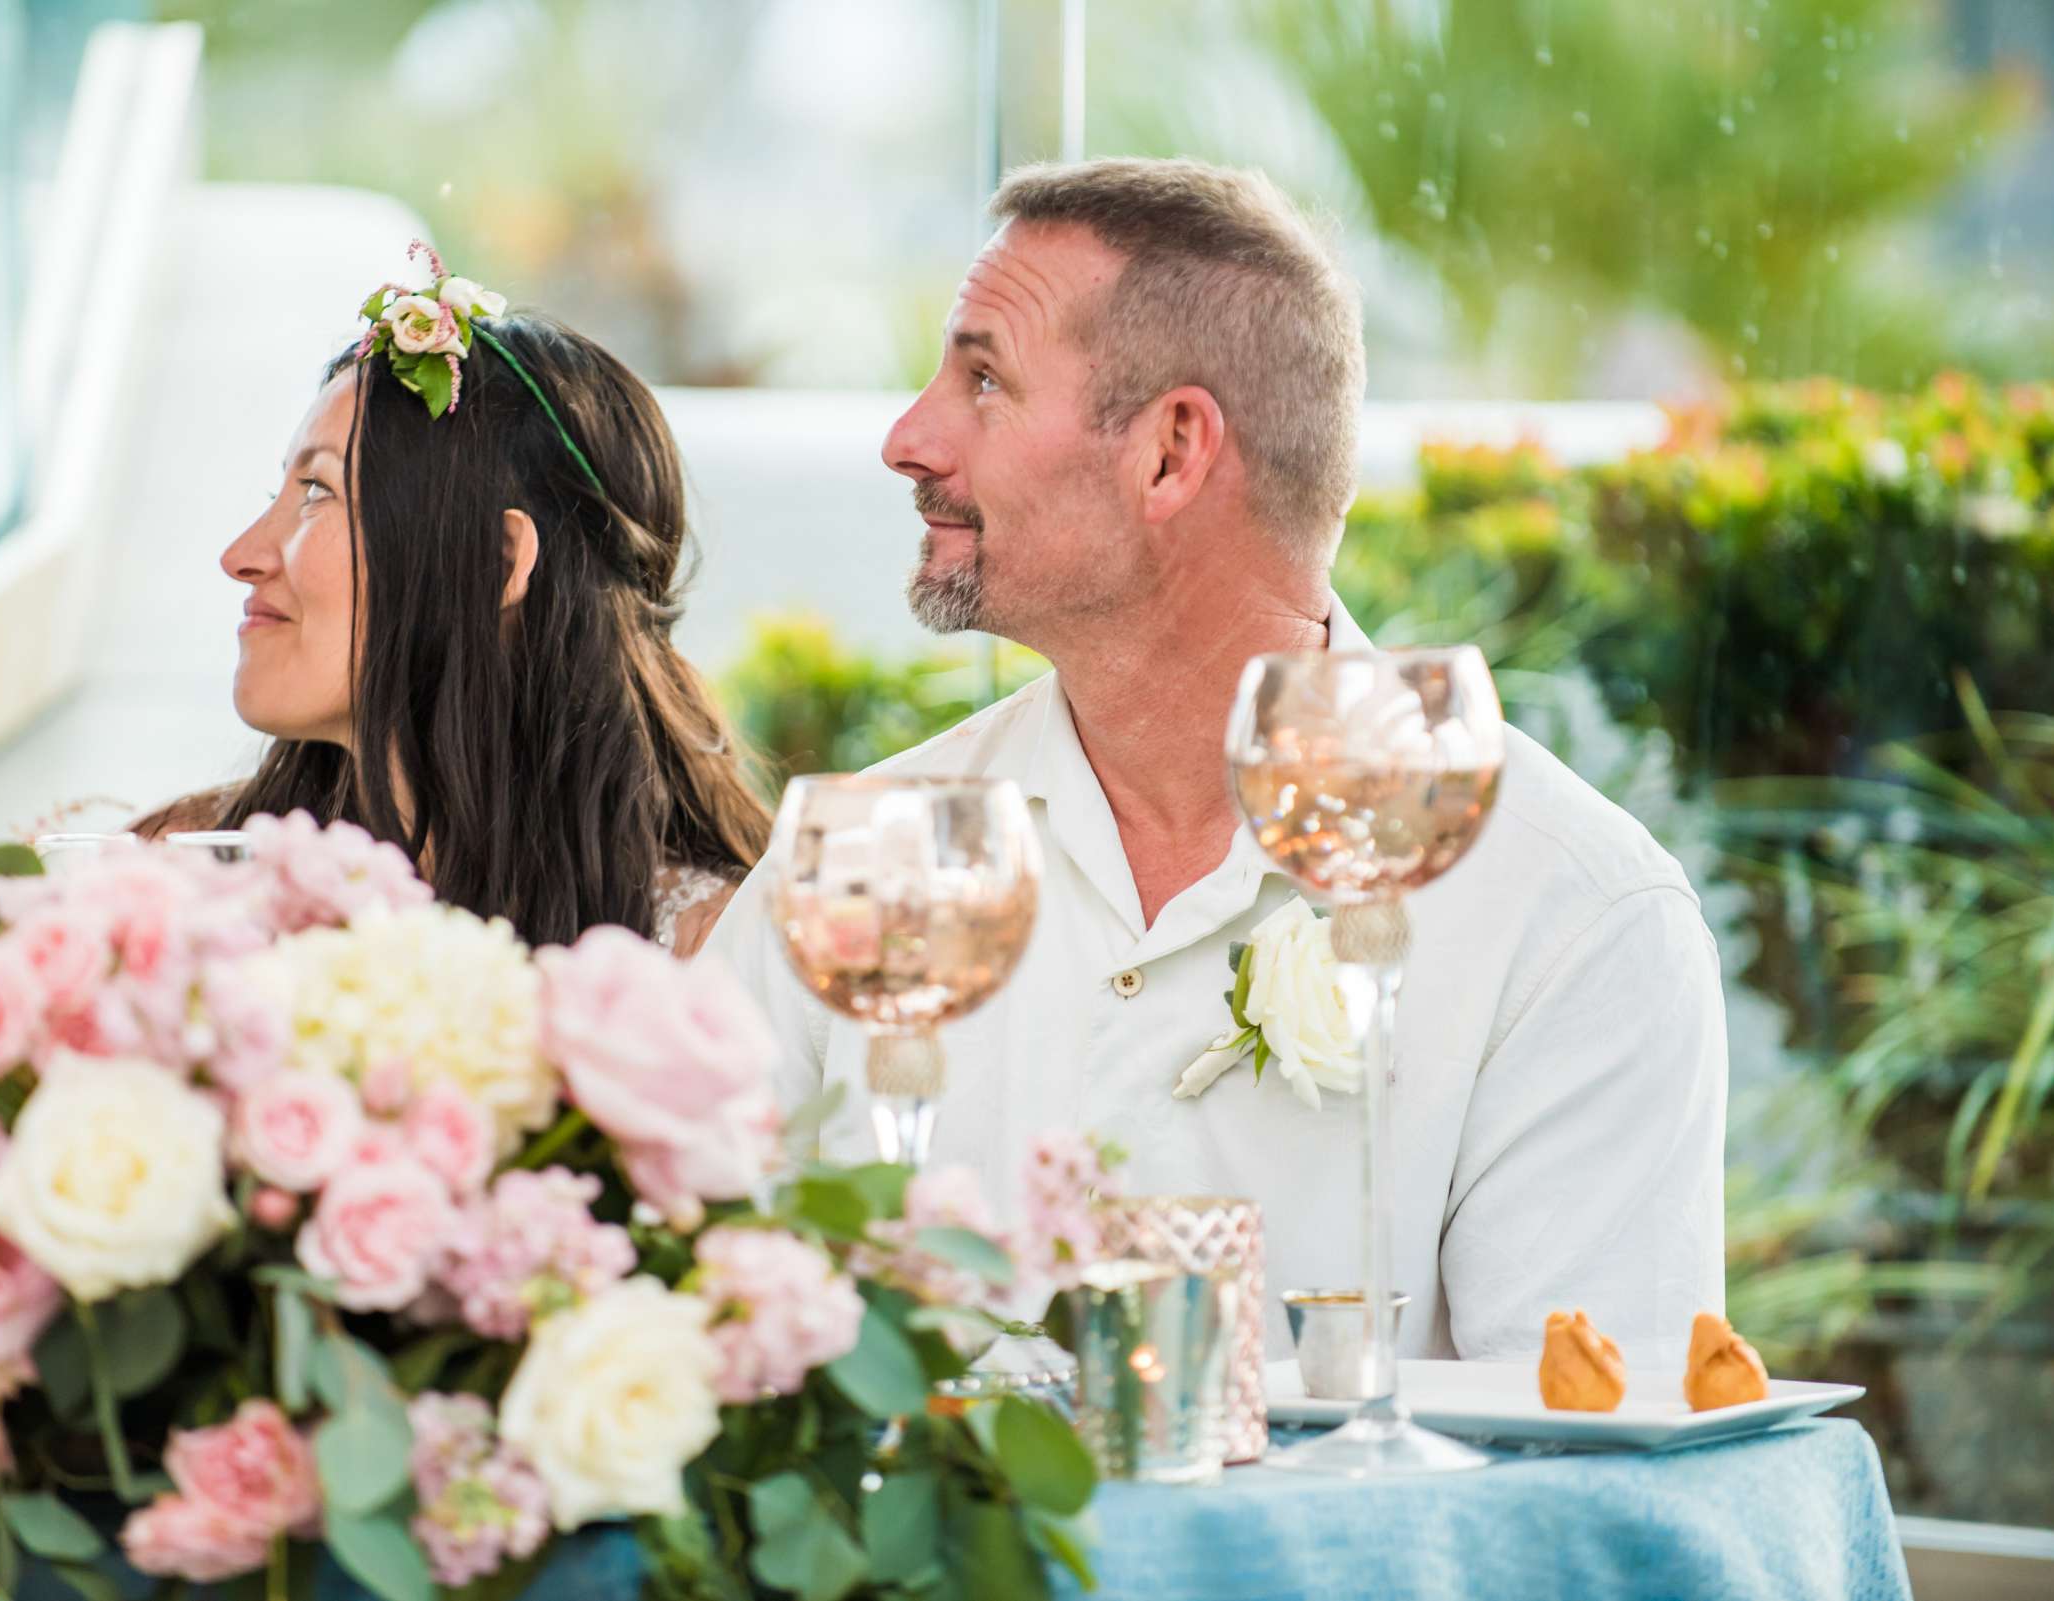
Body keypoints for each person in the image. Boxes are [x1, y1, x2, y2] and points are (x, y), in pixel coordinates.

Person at [706, 160, 1727, 1365]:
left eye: (984, 379)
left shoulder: (1572, 921)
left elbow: (1572, 1487)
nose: (906, 437)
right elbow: (682, 1294)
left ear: (1172, 451)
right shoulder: (867, 856)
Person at [139, 251, 767, 955]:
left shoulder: (711, 952)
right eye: (276, 497)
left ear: (497, 562)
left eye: (317, 492)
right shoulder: (175, 877)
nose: (240, 555)